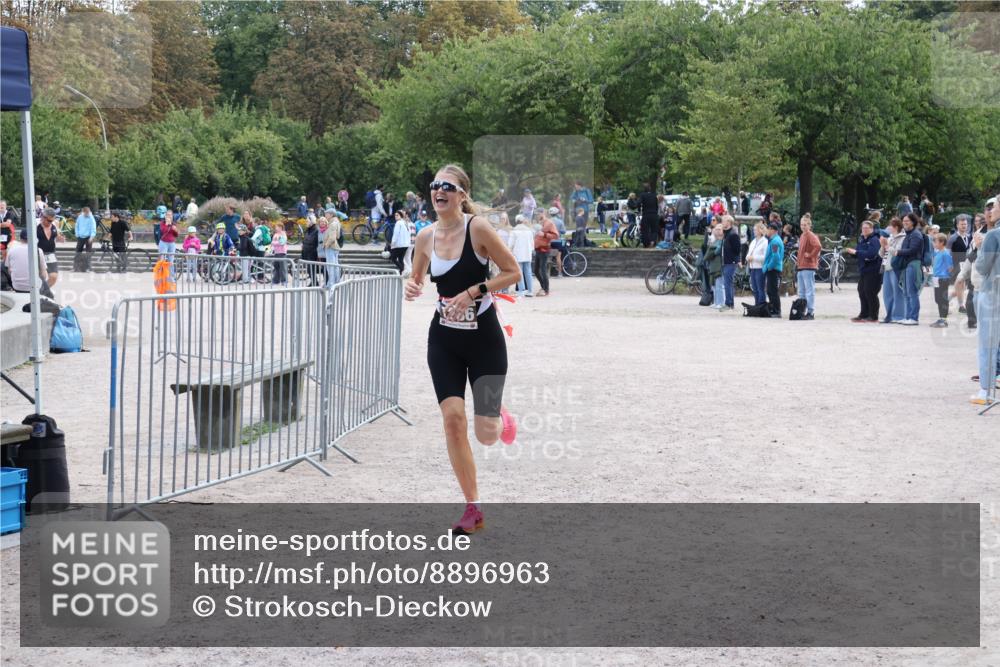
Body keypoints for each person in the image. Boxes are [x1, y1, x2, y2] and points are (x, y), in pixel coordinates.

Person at [403, 164, 520, 534]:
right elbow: (417, 274)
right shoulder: (424, 236)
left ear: (462, 195)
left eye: (448, 187)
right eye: (435, 185)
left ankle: (499, 415)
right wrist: (412, 285)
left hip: (484, 337)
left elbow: (513, 271)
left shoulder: (478, 229)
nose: (439, 191)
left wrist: (474, 290)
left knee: (485, 433)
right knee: (453, 420)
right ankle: (473, 509)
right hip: (444, 339)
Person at [970, 194, 999, 404]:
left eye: (994, 206)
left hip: (992, 293)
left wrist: (980, 247)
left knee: (987, 343)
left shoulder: (993, 235)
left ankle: (986, 390)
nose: (991, 210)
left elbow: (981, 267)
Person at [844, 219, 882, 322]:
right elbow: (859, 253)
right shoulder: (862, 239)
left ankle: (873, 316)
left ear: (872, 229)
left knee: (870, 292)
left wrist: (856, 252)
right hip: (864, 270)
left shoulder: (874, 240)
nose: (864, 230)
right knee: (861, 291)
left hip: (874, 270)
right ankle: (864, 314)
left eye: (867, 228)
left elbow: (872, 254)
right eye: (863, 228)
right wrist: (851, 253)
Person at [894, 212, 925, 325]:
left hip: (914, 264)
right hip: (908, 265)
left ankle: (914, 318)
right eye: (904, 221)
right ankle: (908, 317)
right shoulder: (909, 234)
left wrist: (898, 252)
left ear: (913, 222)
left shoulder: (915, 234)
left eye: (907, 221)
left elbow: (913, 250)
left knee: (912, 292)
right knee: (906, 292)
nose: (905, 223)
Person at [4, 229, 53, 298]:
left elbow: (9, 271)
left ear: (20, 238)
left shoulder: (11, 250)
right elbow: (43, 274)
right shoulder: (38, 250)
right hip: (35, 287)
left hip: (17, 287)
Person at [878, 217, 906, 323]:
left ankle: (898, 316)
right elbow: (881, 255)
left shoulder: (903, 238)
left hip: (896, 268)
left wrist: (888, 246)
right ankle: (889, 315)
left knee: (898, 293)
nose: (888, 228)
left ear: (896, 227)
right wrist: (882, 246)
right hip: (887, 268)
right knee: (887, 294)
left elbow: (897, 252)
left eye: (891, 226)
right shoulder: (889, 238)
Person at [794, 214, 820, 320]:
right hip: (801, 266)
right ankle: (801, 310)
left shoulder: (810, 235)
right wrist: (798, 262)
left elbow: (818, 246)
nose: (803, 226)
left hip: (808, 267)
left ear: (809, 225)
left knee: (809, 290)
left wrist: (810, 255)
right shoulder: (802, 235)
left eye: (805, 225)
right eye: (801, 224)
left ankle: (810, 312)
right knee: (801, 291)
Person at [927, 233, 953, 328]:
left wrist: (946, 275)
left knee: (943, 299)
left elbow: (950, 267)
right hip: (936, 278)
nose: (934, 243)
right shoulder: (937, 252)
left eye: (935, 241)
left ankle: (944, 319)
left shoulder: (945, 253)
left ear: (942, 242)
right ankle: (941, 318)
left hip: (943, 279)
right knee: (938, 299)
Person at [948, 215, 972, 315]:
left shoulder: (969, 236)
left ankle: (946, 299)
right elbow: (948, 252)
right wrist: (949, 265)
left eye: (965, 224)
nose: (964, 226)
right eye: (962, 224)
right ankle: (961, 306)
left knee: (962, 288)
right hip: (956, 265)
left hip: (967, 265)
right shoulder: (953, 238)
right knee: (960, 284)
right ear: (957, 225)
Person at [533, 210, 558, 296]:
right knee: (536, 270)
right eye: (537, 214)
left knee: (543, 269)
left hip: (544, 249)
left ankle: (546, 289)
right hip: (537, 249)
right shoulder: (537, 223)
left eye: (539, 213)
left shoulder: (549, 223)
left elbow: (556, 235)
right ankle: (543, 286)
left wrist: (544, 235)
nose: (538, 215)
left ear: (544, 214)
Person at [509, 214, 534, 297]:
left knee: (519, 272)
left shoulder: (514, 231)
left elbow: (510, 244)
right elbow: (532, 244)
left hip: (518, 255)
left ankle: (521, 290)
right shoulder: (529, 231)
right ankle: (530, 291)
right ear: (523, 221)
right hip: (527, 254)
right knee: (528, 272)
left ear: (516, 221)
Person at [763, 221, 784, 317]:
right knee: (770, 290)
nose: (766, 231)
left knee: (773, 291)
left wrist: (769, 267)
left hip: (773, 269)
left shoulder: (775, 241)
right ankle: (773, 309)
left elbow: (776, 256)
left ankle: (777, 311)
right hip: (773, 269)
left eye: (768, 229)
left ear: (772, 230)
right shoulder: (774, 240)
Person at [745, 222, 768, 306]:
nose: (753, 231)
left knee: (760, 288)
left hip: (760, 268)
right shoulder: (753, 241)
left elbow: (765, 257)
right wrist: (747, 257)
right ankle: (756, 304)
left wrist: (753, 258)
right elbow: (749, 253)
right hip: (752, 267)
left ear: (760, 231)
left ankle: (762, 305)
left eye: (755, 229)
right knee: (754, 288)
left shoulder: (765, 242)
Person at [704, 226, 725, 309]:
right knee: (714, 285)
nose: (717, 231)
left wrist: (713, 252)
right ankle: (716, 302)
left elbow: (718, 251)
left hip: (719, 265)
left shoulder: (722, 240)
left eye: (719, 229)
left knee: (719, 284)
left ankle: (721, 302)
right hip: (713, 265)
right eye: (716, 229)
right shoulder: (715, 240)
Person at [73, 206, 97, 272]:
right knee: (78, 252)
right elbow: (76, 226)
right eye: (85, 213)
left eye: (88, 213)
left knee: (88, 253)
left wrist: (91, 237)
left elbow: (93, 228)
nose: (87, 214)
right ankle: (75, 267)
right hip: (80, 236)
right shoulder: (80, 217)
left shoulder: (91, 218)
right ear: (83, 212)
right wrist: (77, 234)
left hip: (88, 237)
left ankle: (88, 268)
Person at [301, 216, 321, 286]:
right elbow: (306, 239)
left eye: (307, 221)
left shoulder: (316, 230)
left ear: (312, 222)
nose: (306, 222)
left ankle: (315, 282)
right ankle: (314, 281)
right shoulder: (308, 230)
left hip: (312, 252)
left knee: (311, 268)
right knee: (309, 269)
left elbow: (317, 242)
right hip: (307, 252)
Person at [323, 215, 342, 287]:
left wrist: (326, 245)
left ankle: (331, 284)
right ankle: (336, 282)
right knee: (335, 266)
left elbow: (332, 238)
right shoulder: (336, 222)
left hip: (331, 247)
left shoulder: (333, 224)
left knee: (330, 267)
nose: (325, 215)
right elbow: (338, 236)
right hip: (334, 247)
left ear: (331, 214)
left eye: (326, 213)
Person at [638, 184, 659, 248]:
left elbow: (639, 203)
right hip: (654, 214)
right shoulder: (654, 195)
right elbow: (656, 205)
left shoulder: (642, 195)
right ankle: (652, 241)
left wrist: (639, 209)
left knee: (644, 229)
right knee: (654, 229)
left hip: (646, 214)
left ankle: (646, 244)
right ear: (650, 189)